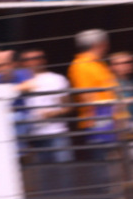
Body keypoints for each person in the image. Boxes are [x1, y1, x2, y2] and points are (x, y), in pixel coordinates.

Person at [68, 29, 119, 162]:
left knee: (112, 166)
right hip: (97, 123)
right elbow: (86, 95)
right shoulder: (81, 65)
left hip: (110, 122)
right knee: (102, 166)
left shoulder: (98, 63)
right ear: (99, 44)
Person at [18, 49, 73, 164]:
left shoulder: (57, 79)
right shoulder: (20, 82)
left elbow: (68, 106)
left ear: (43, 60)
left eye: (36, 58)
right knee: (42, 176)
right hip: (33, 137)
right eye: (27, 60)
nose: (32, 62)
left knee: (65, 171)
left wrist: (53, 113)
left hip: (56, 133)